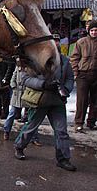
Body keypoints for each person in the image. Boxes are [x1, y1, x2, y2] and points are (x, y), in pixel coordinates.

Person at [13, 41, 76, 171]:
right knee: (30, 127)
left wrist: (66, 90)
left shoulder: (64, 61)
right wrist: (43, 84)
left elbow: (70, 78)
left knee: (61, 131)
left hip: (58, 101)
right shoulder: (36, 60)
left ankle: (63, 159)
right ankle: (19, 147)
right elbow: (25, 79)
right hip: (41, 100)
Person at [3, 58, 41, 145]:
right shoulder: (18, 67)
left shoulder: (33, 68)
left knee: (31, 117)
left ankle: (34, 137)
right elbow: (13, 77)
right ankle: (6, 131)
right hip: (17, 93)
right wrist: (13, 86)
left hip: (28, 94)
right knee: (12, 113)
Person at [70, 20, 97, 131]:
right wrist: (76, 72)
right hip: (83, 75)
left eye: (96, 30)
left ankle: (91, 122)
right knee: (82, 101)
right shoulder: (81, 42)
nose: (94, 32)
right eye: (92, 30)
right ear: (88, 31)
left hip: (96, 74)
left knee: (95, 101)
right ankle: (78, 122)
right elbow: (74, 58)